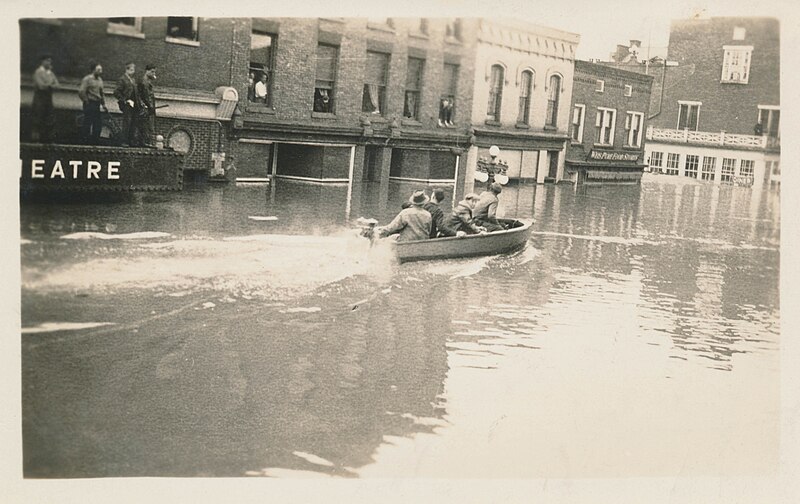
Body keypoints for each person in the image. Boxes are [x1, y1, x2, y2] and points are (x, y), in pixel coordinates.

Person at [31, 54, 59, 143]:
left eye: (50, 61)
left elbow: (57, 85)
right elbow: (41, 86)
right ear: (42, 61)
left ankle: (48, 139)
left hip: (48, 98)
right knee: (38, 118)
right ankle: (36, 140)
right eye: (47, 61)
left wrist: (48, 84)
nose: (49, 63)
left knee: (50, 118)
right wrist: (50, 83)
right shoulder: (38, 72)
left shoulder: (50, 73)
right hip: (39, 98)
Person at [78, 61, 107, 144]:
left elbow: (101, 93)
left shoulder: (100, 80)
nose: (100, 71)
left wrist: (103, 104)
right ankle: (84, 141)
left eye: (101, 70)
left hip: (97, 104)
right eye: (98, 69)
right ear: (93, 70)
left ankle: (95, 141)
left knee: (97, 123)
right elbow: (81, 91)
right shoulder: (87, 79)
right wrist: (86, 101)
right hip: (89, 103)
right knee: (88, 122)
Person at [113, 61, 139, 146]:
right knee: (127, 122)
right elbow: (116, 92)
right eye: (131, 69)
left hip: (134, 105)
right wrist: (125, 100)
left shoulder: (133, 80)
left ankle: (131, 140)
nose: (133, 71)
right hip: (127, 104)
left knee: (133, 122)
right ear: (127, 70)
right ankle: (124, 141)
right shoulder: (122, 79)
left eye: (134, 69)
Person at [137, 64, 157, 147]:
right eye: (152, 71)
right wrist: (147, 106)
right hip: (145, 108)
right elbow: (143, 96)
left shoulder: (148, 82)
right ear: (147, 71)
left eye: (154, 72)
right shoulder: (143, 82)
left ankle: (147, 142)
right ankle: (144, 142)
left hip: (149, 108)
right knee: (145, 125)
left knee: (149, 126)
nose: (154, 74)